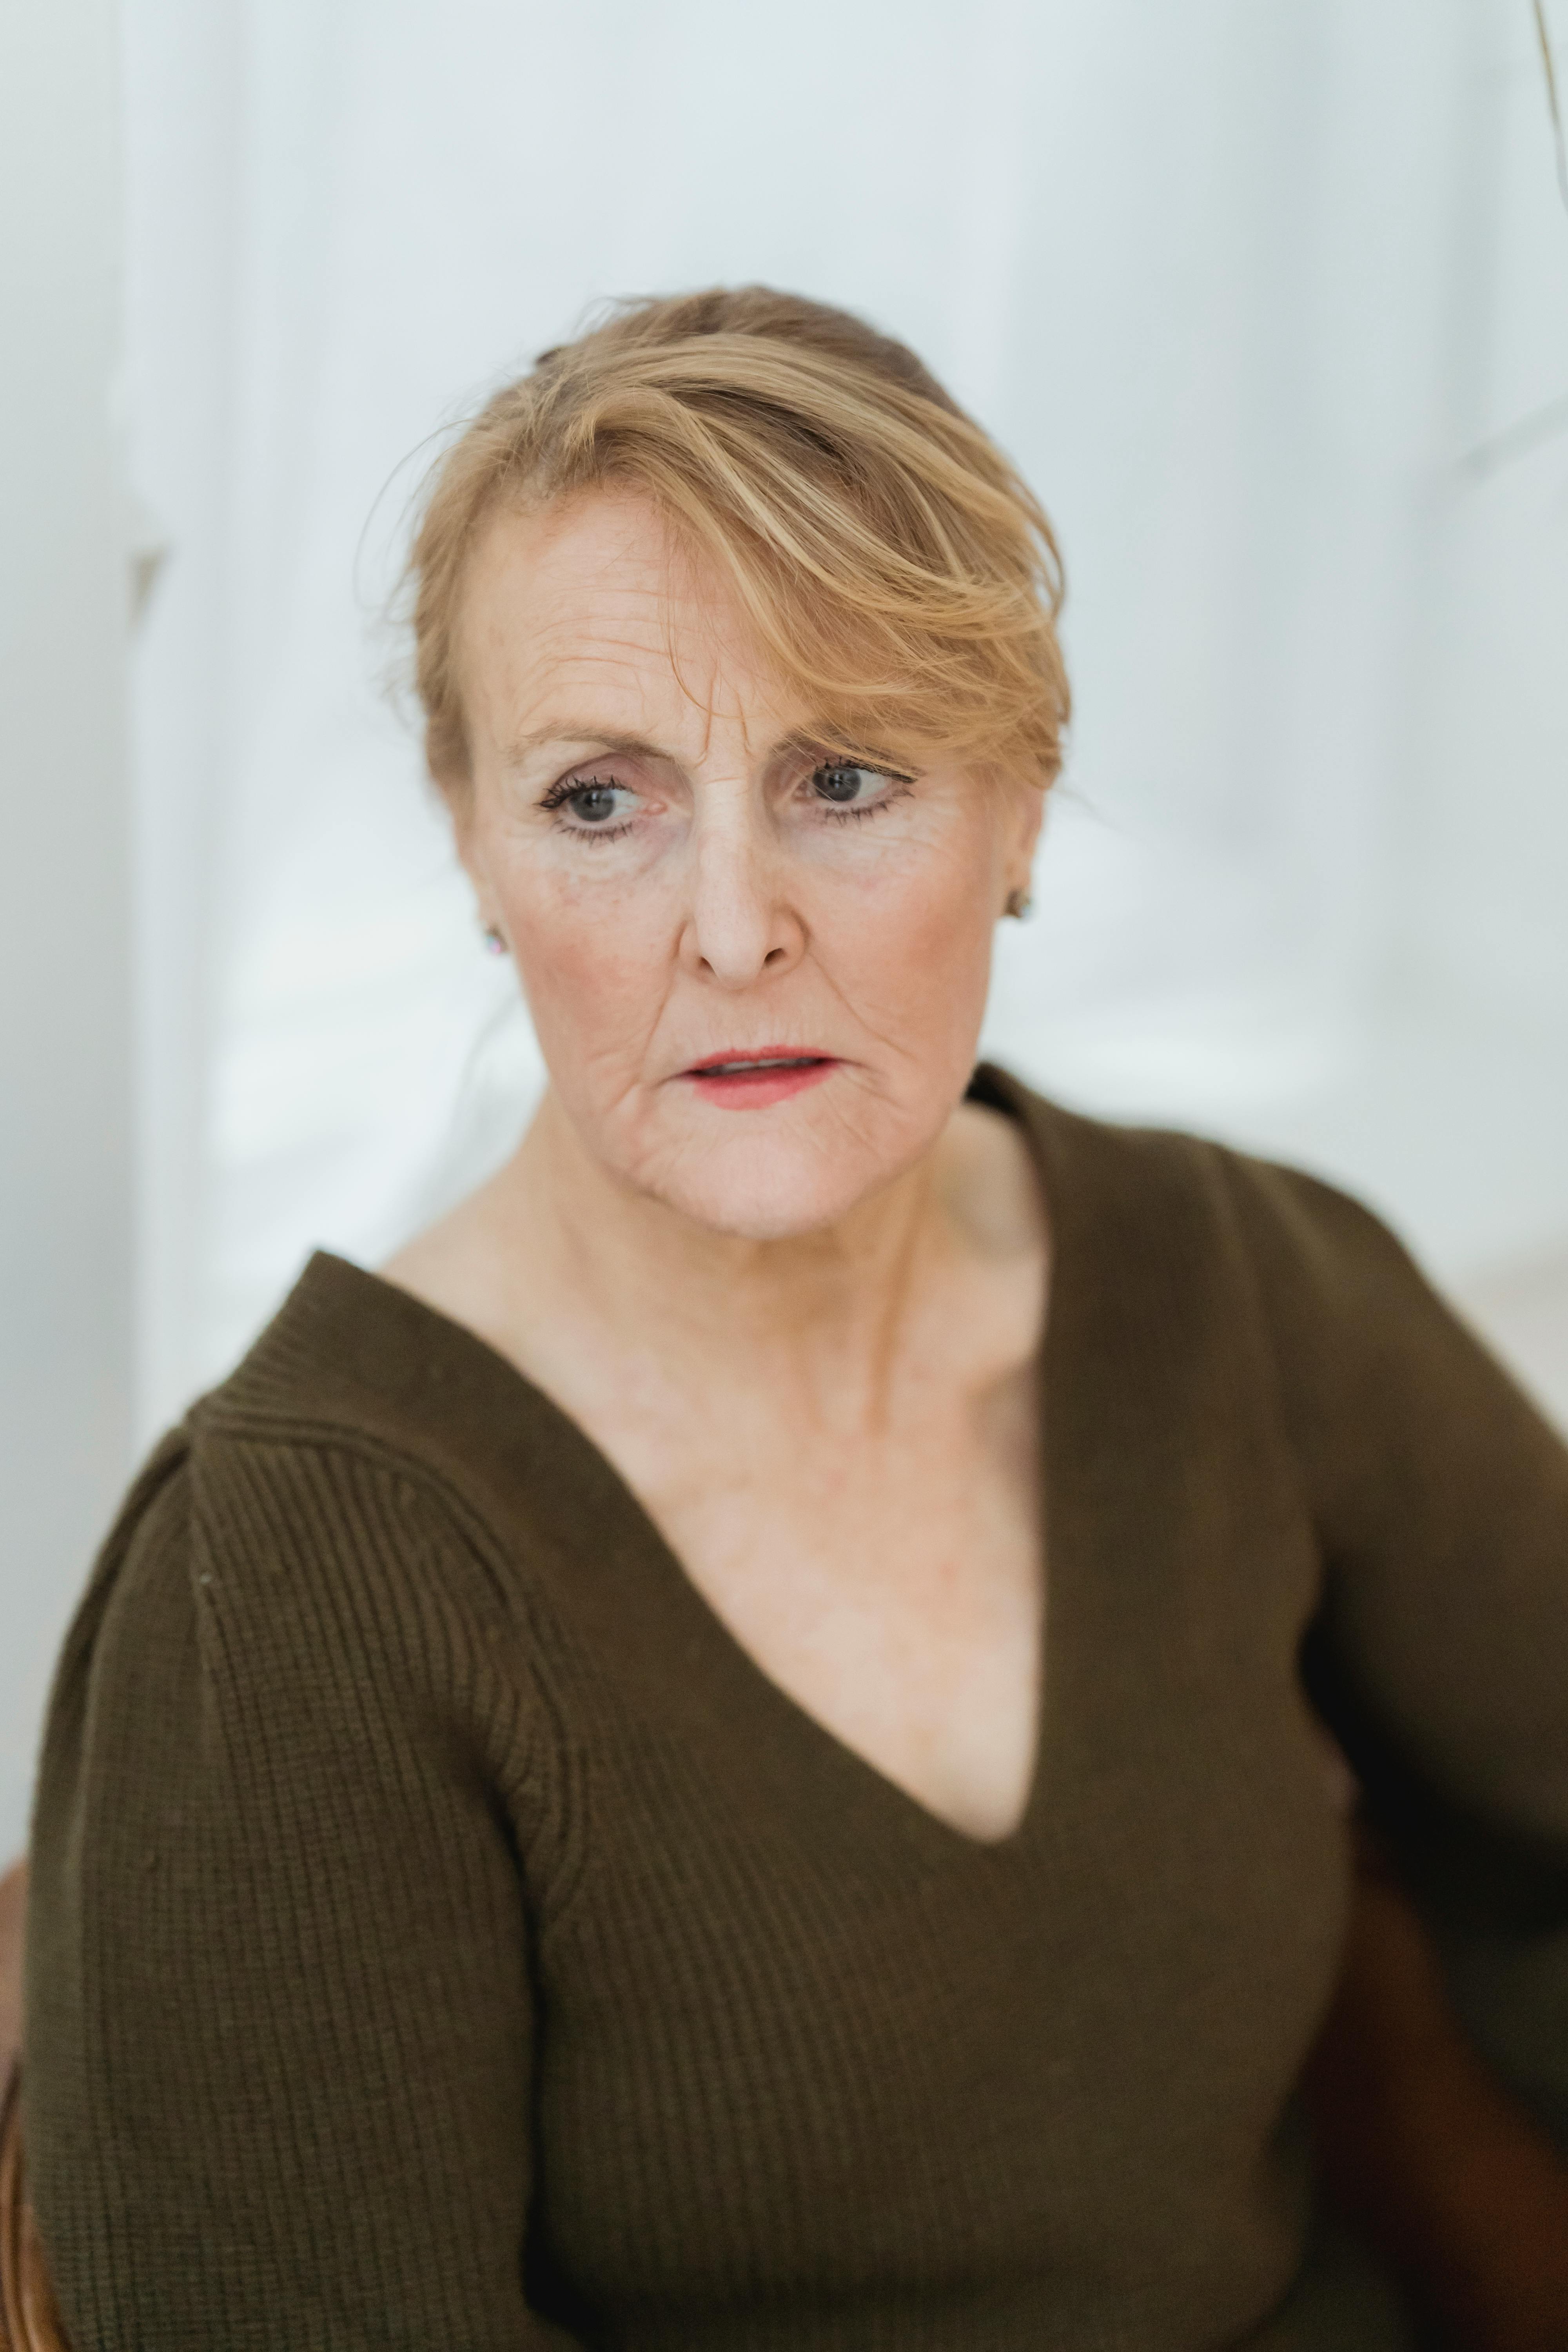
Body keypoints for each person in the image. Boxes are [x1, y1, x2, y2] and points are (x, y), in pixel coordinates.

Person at [16, 288, 1568, 2350]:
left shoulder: (1242, 1290)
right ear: (473, 846)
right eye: (601, 801)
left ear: (1018, 808)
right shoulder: (294, 1581)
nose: (735, 926)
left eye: (845, 778)